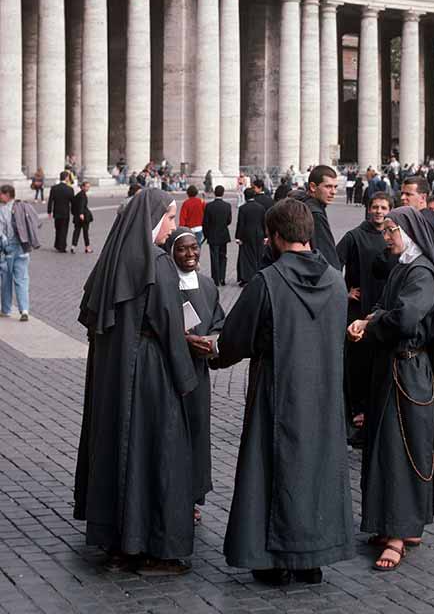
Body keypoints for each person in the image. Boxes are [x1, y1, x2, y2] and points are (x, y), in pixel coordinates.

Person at [216, 198, 355, 584]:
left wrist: (211, 355)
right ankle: (312, 558)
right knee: (318, 470)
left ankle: (273, 561)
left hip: (277, 390)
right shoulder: (336, 281)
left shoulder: (267, 281)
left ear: (275, 236)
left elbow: (234, 339)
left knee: (271, 470)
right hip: (324, 392)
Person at [74, 189, 198, 576]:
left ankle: (116, 544)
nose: (174, 226)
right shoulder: (158, 264)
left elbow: (90, 315)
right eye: (171, 217)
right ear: (153, 219)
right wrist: (186, 377)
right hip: (149, 374)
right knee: (155, 455)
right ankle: (151, 547)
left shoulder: (111, 259)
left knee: (116, 450)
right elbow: (170, 327)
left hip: (111, 372)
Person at [347, 207, 434, 571]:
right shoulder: (402, 267)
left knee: (401, 449)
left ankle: (399, 534)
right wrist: (367, 319)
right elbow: (385, 306)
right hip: (391, 368)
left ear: (408, 233)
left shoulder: (421, 272)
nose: (386, 236)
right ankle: (396, 524)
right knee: (384, 446)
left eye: (391, 230)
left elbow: (406, 318)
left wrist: (371, 325)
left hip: (408, 371)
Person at [165, 228, 225, 524]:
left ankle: (191, 497)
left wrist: (212, 341)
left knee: (198, 434)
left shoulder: (207, 284)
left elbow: (218, 321)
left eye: (194, 248)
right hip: (170, 372)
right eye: (182, 249)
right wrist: (183, 340)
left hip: (199, 373)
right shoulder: (165, 285)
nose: (190, 254)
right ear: (171, 254)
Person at [336, 193, 395, 443]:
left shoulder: (394, 237)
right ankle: (357, 412)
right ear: (368, 209)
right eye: (375, 207)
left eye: (383, 207)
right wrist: (344, 291)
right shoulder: (353, 236)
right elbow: (332, 265)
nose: (379, 211)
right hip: (359, 310)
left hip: (384, 310)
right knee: (358, 363)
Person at [0, 185, 40, 321]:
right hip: (23, 247)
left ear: (6, 195)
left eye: (1, 194)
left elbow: (1, 231)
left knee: (6, 279)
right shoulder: (24, 206)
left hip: (8, 248)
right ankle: (24, 309)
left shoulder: (3, 210)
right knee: (22, 279)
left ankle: (6, 309)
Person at [303, 165, 340, 269]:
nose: (333, 192)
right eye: (328, 187)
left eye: (335, 187)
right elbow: (326, 254)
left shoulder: (304, 205)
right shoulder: (315, 214)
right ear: (313, 187)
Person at [202, 185, 232, 286]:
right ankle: (222, 278)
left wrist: (206, 234)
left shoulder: (209, 206)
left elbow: (205, 223)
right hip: (223, 234)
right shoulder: (227, 206)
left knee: (214, 257)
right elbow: (229, 220)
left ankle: (215, 279)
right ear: (223, 193)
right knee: (223, 256)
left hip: (213, 235)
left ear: (215, 193)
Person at [401, 176, 434, 249]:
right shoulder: (413, 218)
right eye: (402, 194)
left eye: (408, 194)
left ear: (423, 197)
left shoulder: (425, 221)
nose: (402, 197)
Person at [235, 188, 265, 285]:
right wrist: (265, 235)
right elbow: (263, 222)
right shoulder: (261, 207)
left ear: (245, 196)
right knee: (258, 254)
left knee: (246, 256)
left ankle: (246, 277)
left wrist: (238, 237)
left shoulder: (243, 208)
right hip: (259, 233)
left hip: (246, 234)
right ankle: (258, 274)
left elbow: (241, 223)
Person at [47, 170, 75, 253]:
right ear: (66, 178)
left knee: (57, 228)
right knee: (64, 229)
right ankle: (62, 246)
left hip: (57, 211)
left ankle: (57, 244)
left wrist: (49, 211)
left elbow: (50, 200)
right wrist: (74, 212)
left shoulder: (54, 188)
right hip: (65, 212)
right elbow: (72, 202)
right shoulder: (70, 189)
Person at [71, 182, 94, 254]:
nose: (88, 188)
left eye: (89, 187)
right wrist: (81, 214)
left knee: (76, 231)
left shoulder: (78, 195)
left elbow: (73, 205)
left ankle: (73, 246)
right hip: (84, 216)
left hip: (77, 217)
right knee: (85, 232)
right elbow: (81, 204)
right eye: (87, 187)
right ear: (82, 187)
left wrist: (75, 213)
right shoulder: (82, 195)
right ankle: (87, 247)